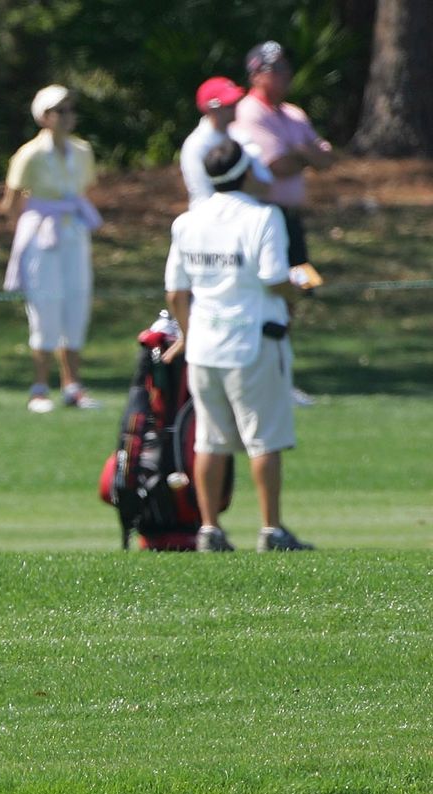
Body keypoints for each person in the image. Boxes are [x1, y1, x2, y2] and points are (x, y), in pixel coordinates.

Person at [162, 139, 313, 553]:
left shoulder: (188, 221)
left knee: (209, 441)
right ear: (246, 173)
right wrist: (299, 290)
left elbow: (176, 293)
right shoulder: (264, 217)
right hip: (254, 342)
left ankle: (210, 529)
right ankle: (272, 530)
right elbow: (273, 279)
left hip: (204, 347)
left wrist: (187, 334)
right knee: (264, 439)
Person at [230, 41, 335, 407]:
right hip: (263, 216)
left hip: (291, 219)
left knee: (296, 291)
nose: (285, 76)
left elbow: (326, 158)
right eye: (276, 69)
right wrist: (305, 154)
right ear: (256, 74)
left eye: (286, 69)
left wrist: (302, 155)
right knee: (269, 293)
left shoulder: (293, 113)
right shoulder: (249, 112)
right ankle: (263, 376)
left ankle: (281, 375)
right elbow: (277, 165)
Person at [2, 85, 102, 414]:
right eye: (59, 111)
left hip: (73, 232)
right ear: (44, 117)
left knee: (77, 302)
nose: (67, 117)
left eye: (70, 110)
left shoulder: (83, 150)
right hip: (41, 236)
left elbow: (85, 190)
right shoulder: (29, 154)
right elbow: (12, 202)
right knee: (45, 307)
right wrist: (26, 236)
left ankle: (72, 385)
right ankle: (40, 387)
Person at [179, 76, 274, 207]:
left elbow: (266, 186)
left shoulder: (242, 137)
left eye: (236, 101)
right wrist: (244, 184)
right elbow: (203, 194)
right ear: (211, 108)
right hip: (209, 221)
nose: (236, 106)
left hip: (247, 218)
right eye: (229, 104)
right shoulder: (196, 145)